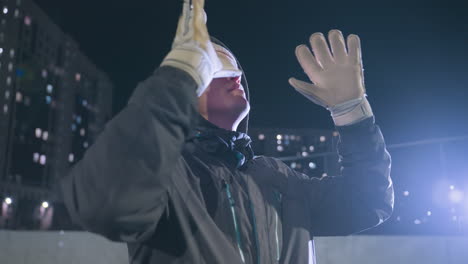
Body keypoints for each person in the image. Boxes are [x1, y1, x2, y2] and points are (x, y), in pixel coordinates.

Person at [60, 0, 394, 263]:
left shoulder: (277, 177)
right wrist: (175, 77)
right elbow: (105, 205)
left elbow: (368, 202)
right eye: (215, 64)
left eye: (235, 66)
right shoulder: (167, 175)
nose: (235, 74)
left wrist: (353, 114)